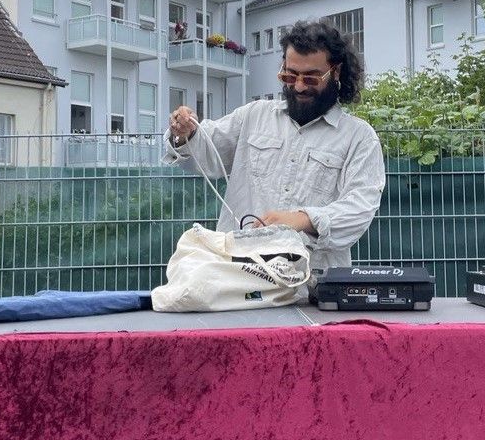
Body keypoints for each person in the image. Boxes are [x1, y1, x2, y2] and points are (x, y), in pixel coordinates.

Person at [164, 19, 385, 274]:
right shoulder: (253, 116)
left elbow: (359, 209)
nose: (299, 86)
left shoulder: (359, 138)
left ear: (336, 72)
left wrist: (302, 219)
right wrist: (185, 133)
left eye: (311, 78)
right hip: (237, 276)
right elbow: (206, 153)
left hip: (311, 283)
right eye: (290, 75)